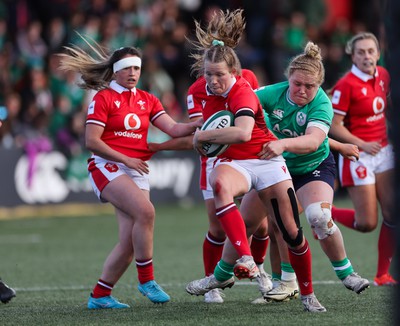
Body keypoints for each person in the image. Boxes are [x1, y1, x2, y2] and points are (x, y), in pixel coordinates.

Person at [183, 9, 325, 312]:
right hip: (235, 163)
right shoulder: (200, 91)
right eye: (209, 74)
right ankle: (244, 259)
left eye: (220, 74)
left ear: (234, 73)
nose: (214, 80)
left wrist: (202, 138)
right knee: (219, 183)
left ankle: (308, 294)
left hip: (266, 161)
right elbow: (197, 130)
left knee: (289, 232)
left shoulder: (244, 91)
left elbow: (245, 132)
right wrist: (187, 139)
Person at [58, 37, 202, 309]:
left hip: (135, 168)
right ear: (115, 70)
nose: (133, 73)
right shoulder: (103, 98)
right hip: (107, 166)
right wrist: (127, 158)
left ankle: (100, 295)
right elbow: (92, 141)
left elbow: (174, 129)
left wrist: (202, 123)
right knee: (146, 212)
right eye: (127, 68)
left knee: (129, 241)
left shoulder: (147, 99)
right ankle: (147, 280)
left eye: (137, 68)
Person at [255, 41, 370, 301]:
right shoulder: (272, 93)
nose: (302, 90)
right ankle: (276, 280)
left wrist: (282, 143)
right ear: (288, 79)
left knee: (318, 217)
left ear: (319, 86)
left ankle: (346, 273)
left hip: (313, 167)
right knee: (269, 224)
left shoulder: (322, 103)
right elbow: (241, 102)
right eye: (297, 84)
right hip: (278, 168)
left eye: (310, 86)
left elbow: (312, 141)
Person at [329, 32, 397, 286]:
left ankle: (382, 274)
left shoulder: (384, 76)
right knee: (367, 223)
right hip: (358, 155)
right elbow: (334, 126)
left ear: (378, 54)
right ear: (353, 56)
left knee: (392, 214)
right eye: (361, 52)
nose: (367, 56)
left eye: (371, 51)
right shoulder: (346, 85)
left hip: (384, 152)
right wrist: (362, 143)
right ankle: (327, 214)